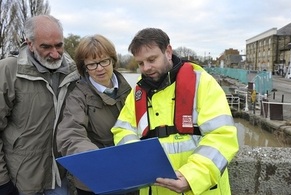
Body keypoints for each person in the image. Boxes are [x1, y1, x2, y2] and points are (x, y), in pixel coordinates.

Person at [111, 28, 239, 195]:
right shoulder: (138, 92)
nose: (146, 68)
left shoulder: (203, 83)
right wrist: (139, 158)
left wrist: (192, 177)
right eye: (141, 63)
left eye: (152, 59)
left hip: (201, 189)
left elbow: (222, 136)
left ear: (168, 51)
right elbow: (122, 130)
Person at [0, 15, 79, 195]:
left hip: (59, 179)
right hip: (20, 181)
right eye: (46, 47)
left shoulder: (74, 73)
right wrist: (2, 183)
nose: (55, 53)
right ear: (30, 43)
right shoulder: (7, 71)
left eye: (59, 45)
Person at [56, 35, 135, 195]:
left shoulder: (131, 91)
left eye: (104, 61)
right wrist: (96, 159)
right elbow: (71, 135)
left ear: (113, 60)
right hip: (95, 179)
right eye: (92, 64)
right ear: (84, 68)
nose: (99, 68)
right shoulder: (78, 96)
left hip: (130, 174)